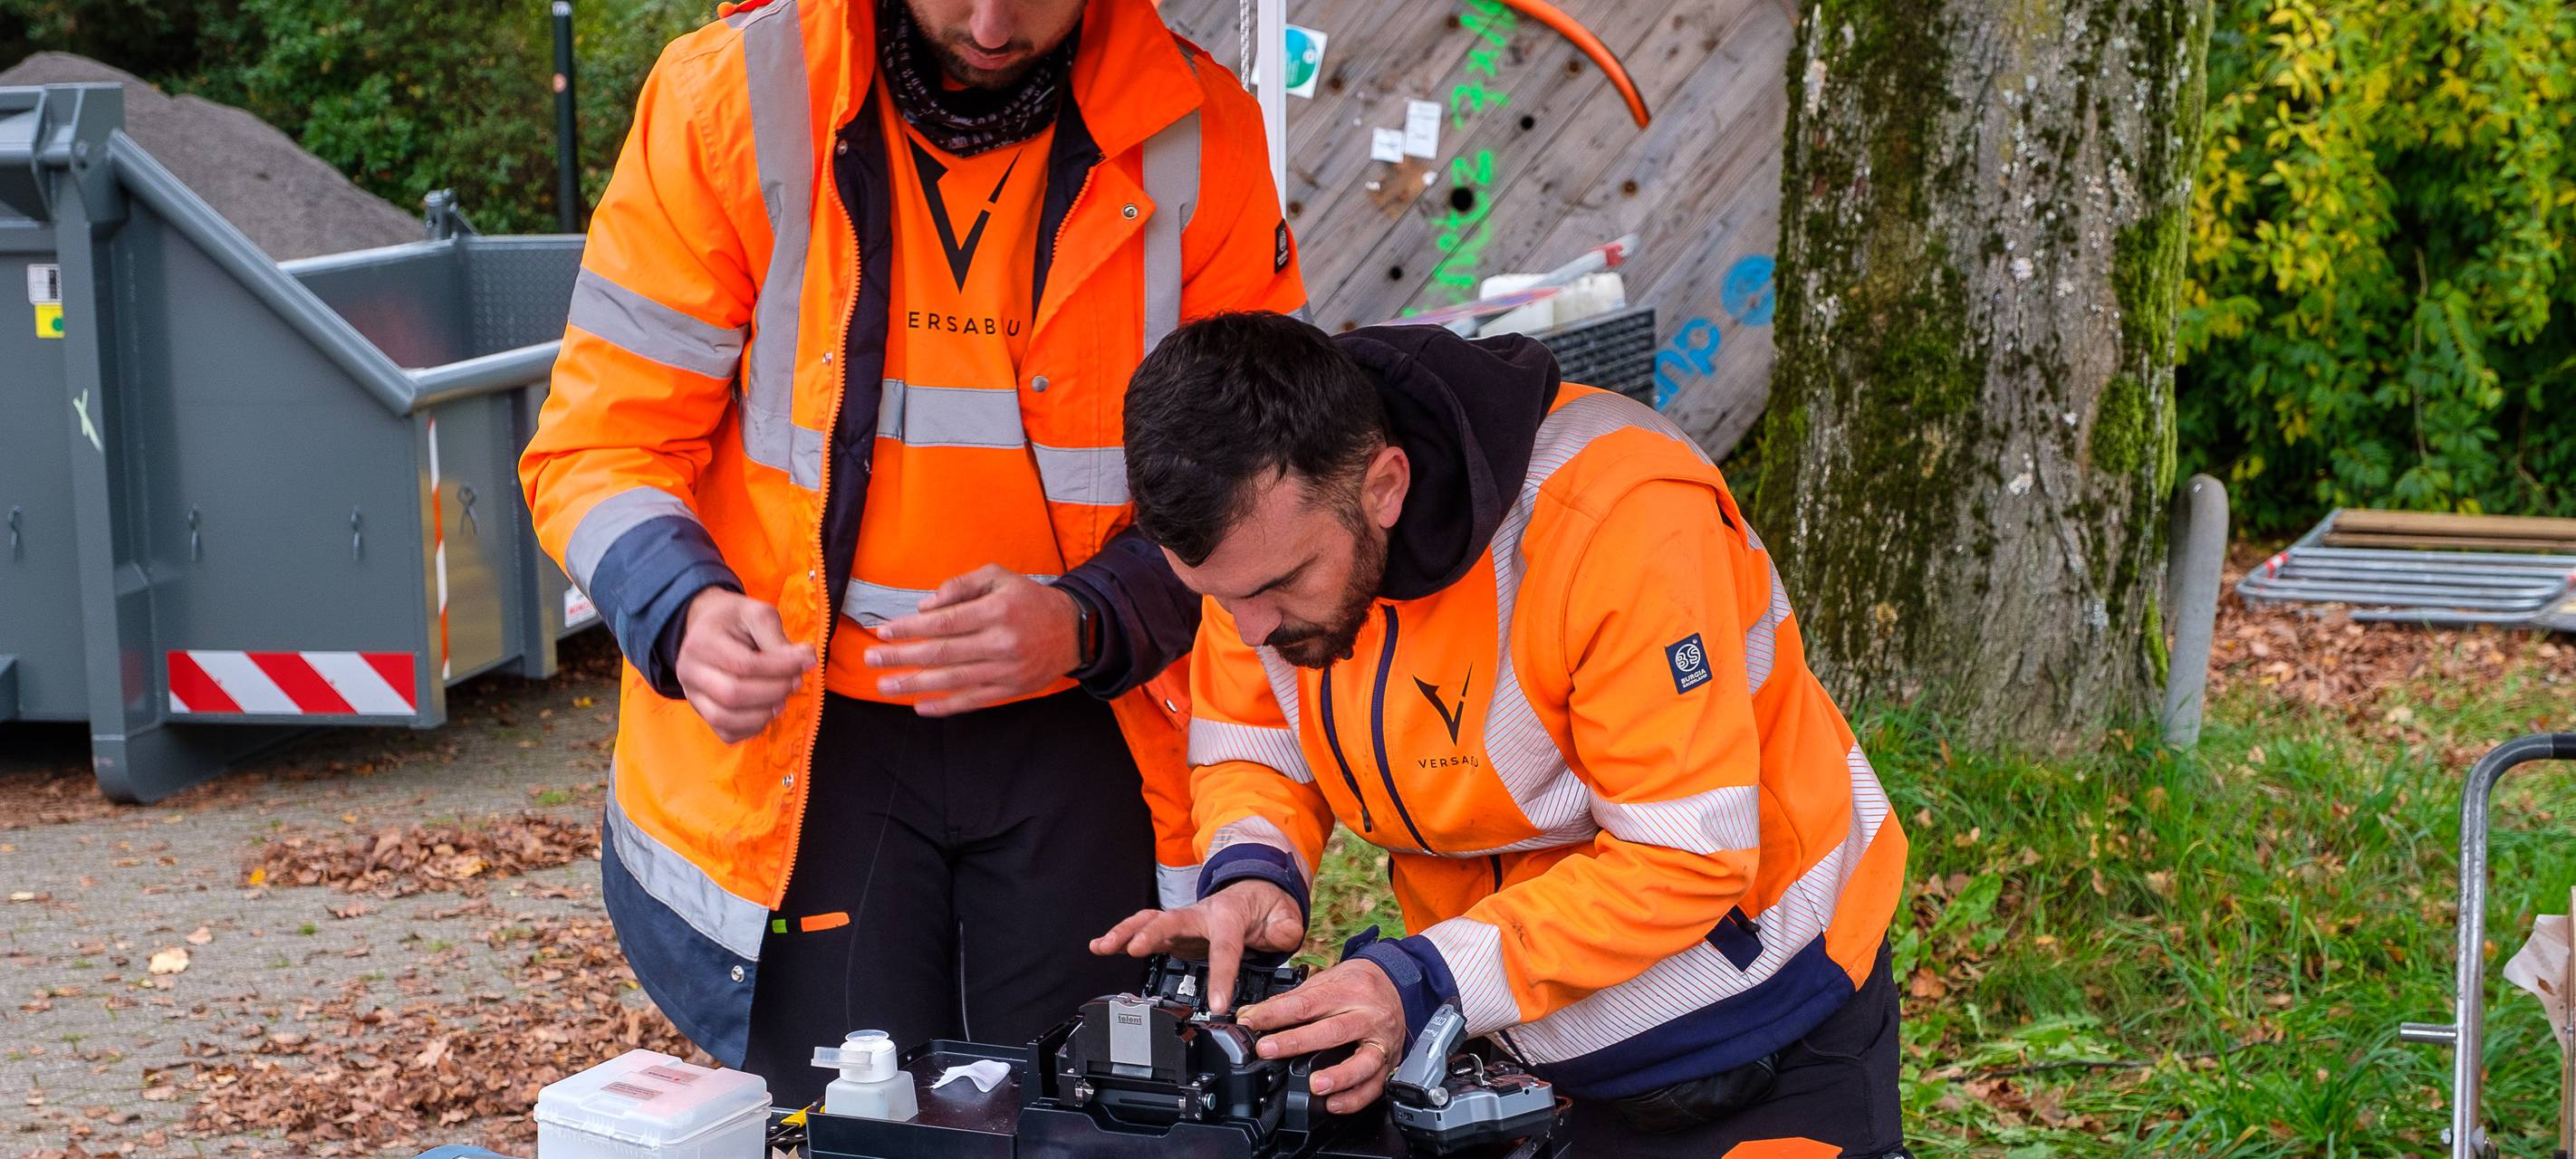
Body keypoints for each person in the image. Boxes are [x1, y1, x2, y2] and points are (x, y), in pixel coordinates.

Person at [519, 0, 1303, 1106]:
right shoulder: (733, 98)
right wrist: (685, 608)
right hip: (815, 751)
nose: (991, 22)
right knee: (847, 1118)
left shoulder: (1200, 133)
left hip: (1087, 735)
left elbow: (1263, 492)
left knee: (1076, 1116)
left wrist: (1084, 620)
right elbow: (601, 441)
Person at [1091, 312, 1911, 1157]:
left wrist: (1427, 981)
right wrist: (1254, 867)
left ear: (1385, 485)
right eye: (1221, 599)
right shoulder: (1261, 546)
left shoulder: (1622, 517)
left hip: (1756, 1011)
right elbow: (1253, 741)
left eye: (1276, 588)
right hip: (1510, 1025)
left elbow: (1684, 852)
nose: (1250, 629)